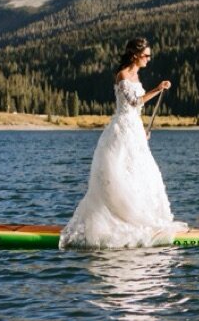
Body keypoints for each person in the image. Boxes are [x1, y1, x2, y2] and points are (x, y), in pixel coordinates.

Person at [60, 37, 187, 249]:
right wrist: (158, 88)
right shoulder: (122, 76)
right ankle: (118, 221)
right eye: (146, 55)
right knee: (120, 174)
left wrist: (140, 132)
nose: (149, 59)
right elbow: (134, 102)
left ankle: (139, 219)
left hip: (133, 129)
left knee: (140, 175)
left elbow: (135, 111)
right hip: (121, 131)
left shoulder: (136, 76)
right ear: (135, 55)